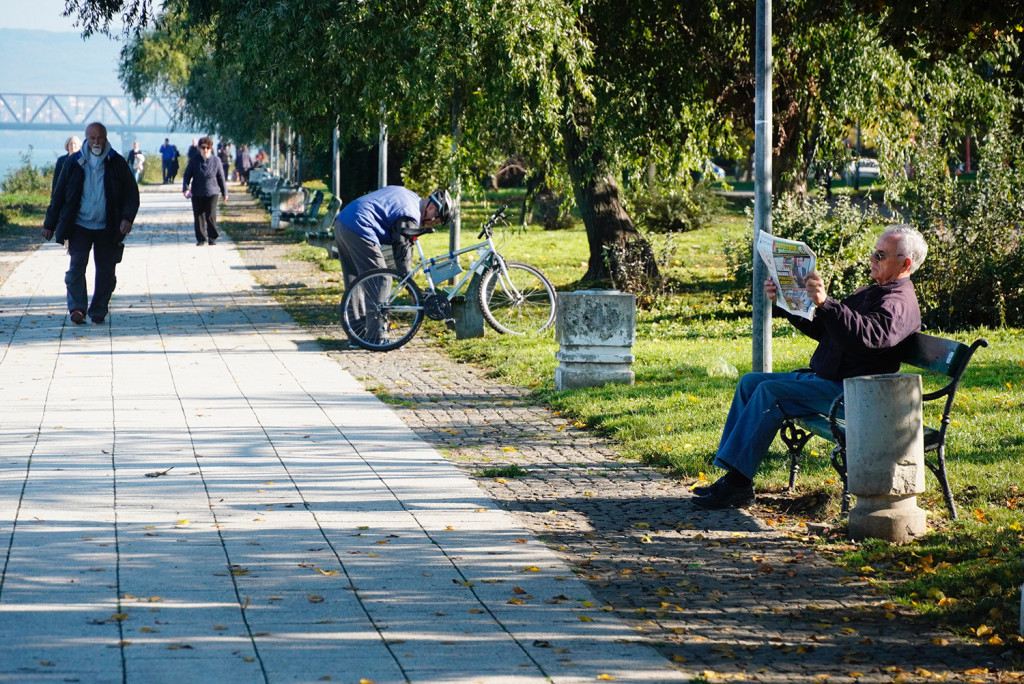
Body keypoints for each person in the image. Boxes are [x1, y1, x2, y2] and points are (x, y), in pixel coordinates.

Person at [693, 224, 928, 510]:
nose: (872, 259)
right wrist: (784, 300)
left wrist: (827, 303)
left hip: (854, 393)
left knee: (770, 392)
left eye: (880, 255)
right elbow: (827, 330)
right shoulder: (875, 292)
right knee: (750, 382)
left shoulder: (898, 301)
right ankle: (736, 478)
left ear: (905, 264)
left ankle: (737, 484)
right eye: (873, 253)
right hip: (828, 381)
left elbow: (869, 337)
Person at [40, 121, 139, 325]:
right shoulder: (73, 162)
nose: (96, 142)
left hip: (107, 226)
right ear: (86, 138)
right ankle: (77, 308)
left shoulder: (117, 162)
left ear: (106, 138)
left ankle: (98, 310)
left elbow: (132, 194)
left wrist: (127, 218)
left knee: (106, 270)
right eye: (92, 138)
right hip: (79, 226)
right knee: (76, 267)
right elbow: (58, 195)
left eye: (100, 137)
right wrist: (49, 224)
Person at [334, 186, 453, 288]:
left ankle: (353, 316)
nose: (431, 224)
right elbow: (402, 249)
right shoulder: (410, 215)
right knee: (382, 280)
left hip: (342, 221)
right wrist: (409, 284)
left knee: (356, 281)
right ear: (432, 208)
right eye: (435, 220)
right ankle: (376, 316)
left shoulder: (409, 196)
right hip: (360, 226)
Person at [181, 136, 228, 246]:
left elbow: (221, 177)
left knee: (210, 215)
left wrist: (225, 192)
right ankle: (201, 238)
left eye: (208, 147)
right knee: (199, 216)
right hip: (197, 192)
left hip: (212, 191)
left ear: (211, 148)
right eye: (203, 148)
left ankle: (212, 237)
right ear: (199, 148)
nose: (205, 150)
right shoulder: (194, 160)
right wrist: (185, 188)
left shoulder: (216, 160)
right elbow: (187, 175)